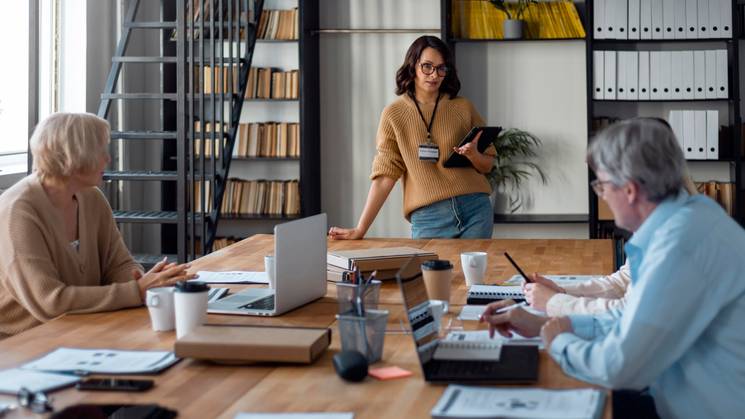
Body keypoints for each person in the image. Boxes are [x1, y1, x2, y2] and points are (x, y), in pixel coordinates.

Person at [480, 118, 745, 419]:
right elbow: (631, 316)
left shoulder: (681, 245)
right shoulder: (688, 219)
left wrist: (559, 342)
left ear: (630, 190)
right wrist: (544, 326)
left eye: (602, 185)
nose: (602, 195)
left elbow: (619, 367)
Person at [0, 113, 196, 338]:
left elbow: (119, 263)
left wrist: (139, 279)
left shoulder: (91, 197)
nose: (108, 159)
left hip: (80, 327)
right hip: (22, 343)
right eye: (101, 151)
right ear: (75, 155)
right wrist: (137, 291)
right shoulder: (18, 210)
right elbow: (50, 302)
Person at [328, 35, 495, 240]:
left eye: (441, 68)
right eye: (427, 66)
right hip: (429, 216)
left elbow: (488, 164)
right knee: (429, 273)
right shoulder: (394, 114)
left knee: (473, 273)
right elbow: (384, 176)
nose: (434, 75)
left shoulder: (463, 107)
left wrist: (473, 155)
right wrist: (360, 228)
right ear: (412, 66)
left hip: (475, 209)